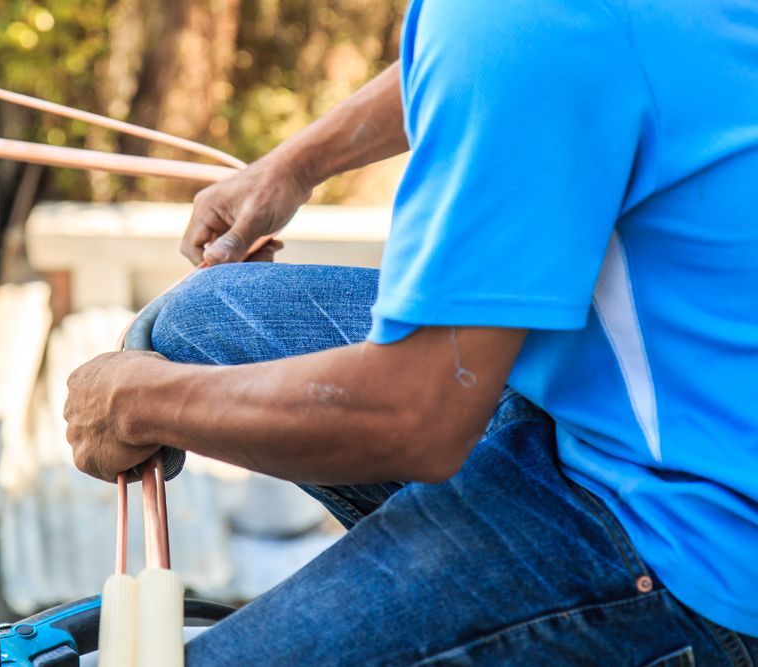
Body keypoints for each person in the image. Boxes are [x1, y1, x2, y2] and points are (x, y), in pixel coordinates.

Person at [63, 0, 758, 662]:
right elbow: (512, 61)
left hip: (689, 537)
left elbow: (413, 416)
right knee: (203, 316)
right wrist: (293, 166)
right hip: (628, 402)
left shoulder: (527, 18)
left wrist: (135, 401)